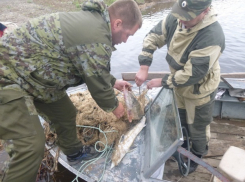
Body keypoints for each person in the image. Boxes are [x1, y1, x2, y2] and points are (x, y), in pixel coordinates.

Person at [0, 0, 142, 181]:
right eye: (128, 35)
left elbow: (90, 67)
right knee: (30, 145)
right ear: (118, 23)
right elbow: (99, 86)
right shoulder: (96, 36)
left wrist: (113, 82)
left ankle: (74, 153)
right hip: (7, 77)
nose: (125, 40)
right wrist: (118, 108)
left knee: (66, 113)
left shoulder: (95, 24)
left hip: (34, 78)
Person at [135, 0, 225, 174]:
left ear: (204, 11)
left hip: (199, 90)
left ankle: (196, 156)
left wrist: (162, 81)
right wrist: (144, 65)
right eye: (180, 15)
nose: (181, 20)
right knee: (180, 119)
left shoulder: (212, 36)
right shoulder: (176, 18)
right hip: (178, 86)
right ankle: (182, 145)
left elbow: (192, 74)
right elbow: (153, 36)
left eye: (187, 17)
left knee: (197, 127)